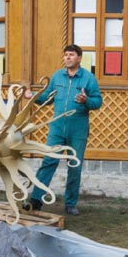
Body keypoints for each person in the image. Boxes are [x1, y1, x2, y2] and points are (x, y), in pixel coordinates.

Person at [25, 45, 103, 215]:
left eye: (71, 55)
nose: (67, 57)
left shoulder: (88, 78)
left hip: (78, 129)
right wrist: (34, 97)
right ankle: (36, 199)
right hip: (57, 127)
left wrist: (86, 100)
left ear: (79, 58)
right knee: (48, 161)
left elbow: (98, 102)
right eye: (66, 55)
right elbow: (48, 98)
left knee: (74, 166)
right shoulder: (57, 77)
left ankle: (70, 203)